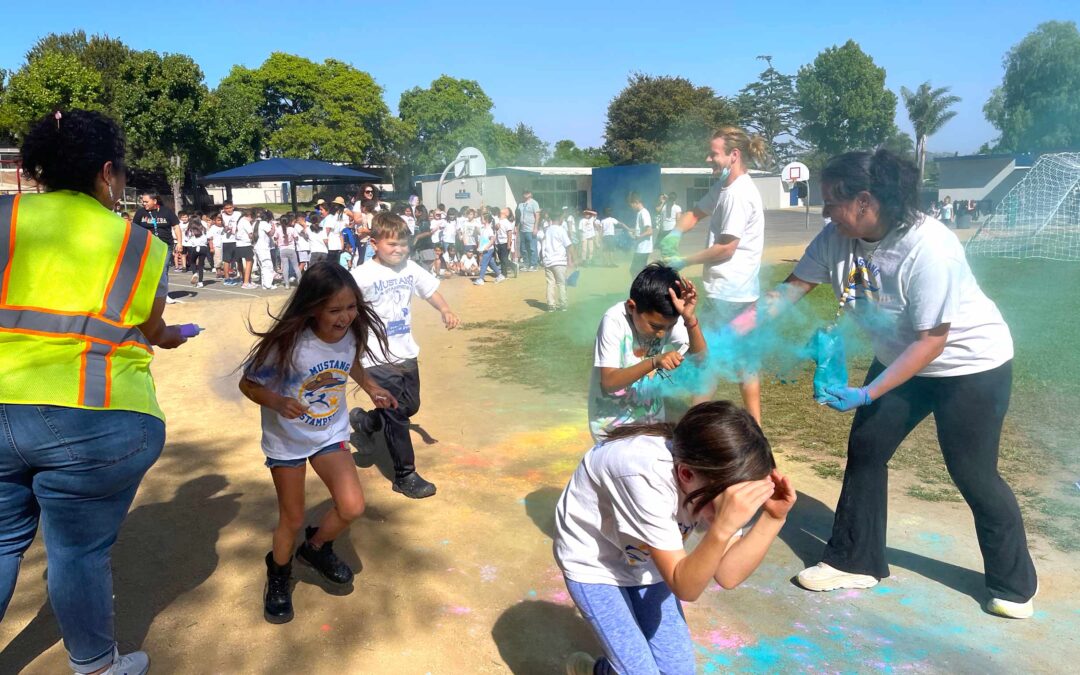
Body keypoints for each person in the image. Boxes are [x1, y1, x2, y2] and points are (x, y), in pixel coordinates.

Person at [775, 149, 1038, 619]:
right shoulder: (835, 237)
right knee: (868, 448)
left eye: (831, 201)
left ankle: (1014, 583)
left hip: (969, 365)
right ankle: (855, 561)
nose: (824, 211)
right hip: (900, 359)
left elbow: (932, 342)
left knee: (973, 472)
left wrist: (868, 393)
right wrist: (722, 331)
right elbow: (788, 293)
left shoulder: (929, 247)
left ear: (864, 201)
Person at [0, 109, 188, 675]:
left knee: (4, 540)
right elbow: (155, 332)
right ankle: (97, 666)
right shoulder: (139, 245)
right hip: (97, 419)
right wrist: (175, 336)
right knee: (76, 552)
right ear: (108, 172)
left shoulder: (6, 217)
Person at [554, 402, 796, 675]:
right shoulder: (642, 472)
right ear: (686, 474)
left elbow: (727, 575)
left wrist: (773, 518)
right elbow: (687, 588)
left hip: (648, 557)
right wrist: (722, 528)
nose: (733, 508)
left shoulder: (716, 478)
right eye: (726, 503)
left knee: (678, 670)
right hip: (594, 563)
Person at [238, 262, 398, 624]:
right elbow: (248, 385)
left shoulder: (352, 332)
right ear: (312, 307)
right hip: (288, 442)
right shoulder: (288, 345)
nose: (345, 317)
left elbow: (350, 361)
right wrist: (277, 402)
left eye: (351, 307)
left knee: (353, 506)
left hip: (330, 432)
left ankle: (316, 548)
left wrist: (370, 386)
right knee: (291, 519)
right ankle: (278, 573)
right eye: (335, 310)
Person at [349, 213, 460, 498]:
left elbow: (430, 291)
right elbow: (343, 306)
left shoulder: (410, 268)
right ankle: (405, 475)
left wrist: (445, 309)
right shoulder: (361, 276)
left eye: (403, 245)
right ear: (374, 243)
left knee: (409, 407)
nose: (398, 250)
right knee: (397, 413)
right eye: (392, 245)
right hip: (375, 357)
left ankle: (365, 422)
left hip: (405, 352)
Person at [668, 125, 768, 423]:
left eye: (714, 154)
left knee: (707, 361)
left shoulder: (739, 193)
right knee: (741, 363)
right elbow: (696, 213)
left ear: (733, 155)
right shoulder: (724, 188)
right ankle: (755, 430)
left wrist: (682, 260)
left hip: (730, 294)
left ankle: (692, 426)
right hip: (734, 292)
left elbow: (726, 247)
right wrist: (673, 233)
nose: (708, 159)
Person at [589, 264, 705, 441]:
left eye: (669, 327)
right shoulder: (613, 321)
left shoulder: (664, 321)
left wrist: (689, 319)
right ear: (631, 307)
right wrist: (654, 361)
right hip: (613, 426)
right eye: (655, 327)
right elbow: (609, 382)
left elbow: (701, 360)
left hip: (653, 421)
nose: (662, 333)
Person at [537, 210, 573, 311]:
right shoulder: (561, 230)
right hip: (559, 261)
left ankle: (551, 305)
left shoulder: (547, 230)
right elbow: (569, 245)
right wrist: (573, 258)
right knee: (561, 283)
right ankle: (563, 304)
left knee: (550, 283)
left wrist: (543, 258)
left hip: (548, 261)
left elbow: (543, 244)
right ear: (561, 219)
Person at [474, 212, 506, 285]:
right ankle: (500, 275)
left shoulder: (489, 229)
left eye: (481, 218)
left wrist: (487, 247)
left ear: (486, 220)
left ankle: (481, 279)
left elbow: (493, 239)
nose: (480, 220)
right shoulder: (483, 228)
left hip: (488, 249)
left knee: (483, 263)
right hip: (485, 249)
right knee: (491, 263)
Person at [628, 192, 653, 279]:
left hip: (643, 248)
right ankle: (642, 289)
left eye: (631, 204)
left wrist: (638, 236)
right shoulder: (639, 213)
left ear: (636, 202)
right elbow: (641, 229)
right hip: (640, 248)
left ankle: (641, 289)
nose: (631, 207)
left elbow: (649, 231)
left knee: (635, 271)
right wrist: (633, 231)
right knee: (638, 271)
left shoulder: (644, 213)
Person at [253, 211, 277, 290]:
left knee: (263, 266)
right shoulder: (264, 223)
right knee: (268, 266)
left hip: (257, 247)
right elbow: (271, 233)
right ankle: (268, 284)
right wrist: (273, 226)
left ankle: (264, 284)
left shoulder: (255, 223)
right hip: (263, 248)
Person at [517, 190, 541, 271]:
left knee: (532, 247)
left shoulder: (534, 203)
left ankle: (534, 264)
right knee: (523, 248)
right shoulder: (520, 204)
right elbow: (518, 216)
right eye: (524, 192)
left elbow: (537, 216)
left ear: (530, 194)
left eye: (527, 192)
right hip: (522, 229)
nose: (525, 194)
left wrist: (535, 227)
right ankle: (526, 264)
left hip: (531, 229)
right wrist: (516, 227)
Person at [234, 208, 257, 289]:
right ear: (250, 216)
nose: (252, 220)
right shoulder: (246, 222)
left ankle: (245, 280)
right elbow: (251, 234)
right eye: (252, 218)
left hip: (238, 244)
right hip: (245, 244)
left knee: (242, 262)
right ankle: (246, 283)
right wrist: (254, 240)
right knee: (249, 262)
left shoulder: (240, 221)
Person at [220, 200, 241, 286]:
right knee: (227, 260)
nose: (228, 210)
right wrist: (226, 228)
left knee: (239, 259)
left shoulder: (238, 214)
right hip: (227, 241)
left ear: (233, 207)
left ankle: (242, 277)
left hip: (237, 240)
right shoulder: (222, 215)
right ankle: (227, 278)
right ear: (224, 209)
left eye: (230, 208)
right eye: (226, 208)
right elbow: (223, 225)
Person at [186, 216, 209, 287]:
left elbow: (188, 237)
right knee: (201, 265)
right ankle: (200, 282)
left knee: (192, 262)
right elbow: (208, 235)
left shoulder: (191, 227)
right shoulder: (203, 226)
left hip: (194, 247)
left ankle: (194, 273)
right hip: (203, 247)